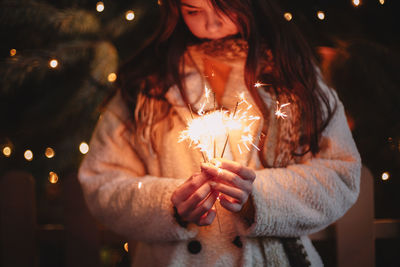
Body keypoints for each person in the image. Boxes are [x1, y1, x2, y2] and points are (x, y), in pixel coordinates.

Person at [78, 0, 361, 266]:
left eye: (223, 7)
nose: (211, 25)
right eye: (193, 11)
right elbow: (102, 182)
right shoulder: (149, 84)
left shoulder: (294, 77)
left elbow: (339, 175)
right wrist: (169, 204)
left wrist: (259, 197)